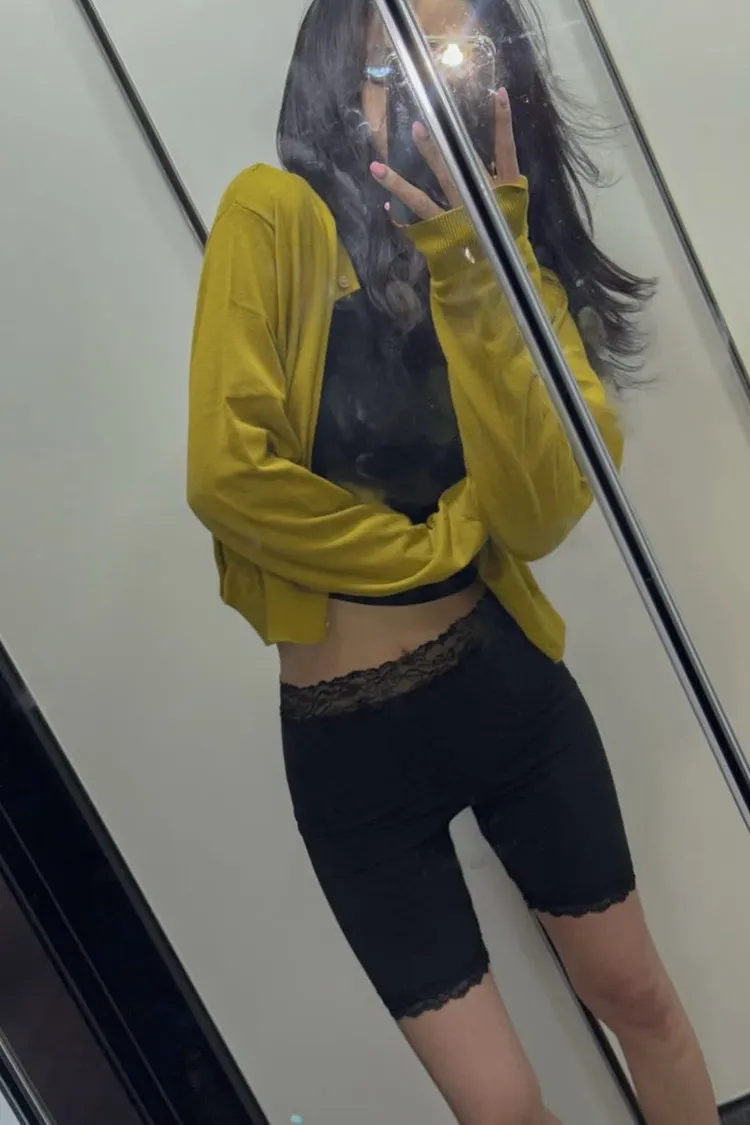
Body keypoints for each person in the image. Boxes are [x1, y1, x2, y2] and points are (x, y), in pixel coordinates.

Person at [187, 0, 719, 1121]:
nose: (430, 95)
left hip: (504, 689)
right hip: (347, 749)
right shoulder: (271, 214)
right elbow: (230, 476)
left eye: (457, 66)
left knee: (639, 1001)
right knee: (501, 1109)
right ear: (337, 73)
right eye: (397, 62)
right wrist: (427, 548)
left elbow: (536, 511)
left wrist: (480, 268)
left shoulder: (502, 255)